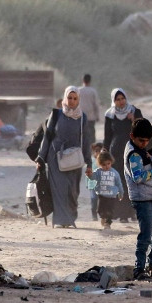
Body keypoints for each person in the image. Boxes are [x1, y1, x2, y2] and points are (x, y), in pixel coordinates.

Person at [35, 87, 93, 229]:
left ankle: (70, 218)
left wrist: (89, 162)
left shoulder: (82, 117)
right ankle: (61, 220)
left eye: (75, 98)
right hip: (55, 157)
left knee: (72, 191)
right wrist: (41, 157)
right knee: (59, 189)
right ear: (64, 98)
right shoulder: (56, 115)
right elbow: (47, 138)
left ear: (78, 99)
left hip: (75, 158)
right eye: (69, 98)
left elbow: (86, 140)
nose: (72, 101)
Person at [125, 118, 152, 280]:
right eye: (141, 141)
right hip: (142, 199)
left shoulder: (141, 150)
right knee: (146, 236)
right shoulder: (133, 154)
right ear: (132, 136)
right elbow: (138, 177)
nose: (144, 144)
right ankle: (139, 269)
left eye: (147, 141)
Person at [103, 88, 143, 222]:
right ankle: (122, 214)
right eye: (117, 99)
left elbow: (143, 130)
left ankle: (133, 212)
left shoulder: (134, 111)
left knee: (133, 181)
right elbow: (107, 136)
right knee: (119, 182)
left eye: (122, 98)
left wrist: (134, 120)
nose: (121, 102)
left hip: (132, 151)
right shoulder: (110, 115)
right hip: (116, 152)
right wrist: (105, 152)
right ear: (114, 101)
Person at [93, 151, 123, 230]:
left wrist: (121, 192)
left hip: (112, 196)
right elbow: (93, 177)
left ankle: (108, 223)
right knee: (100, 210)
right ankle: (103, 217)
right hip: (102, 195)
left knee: (110, 210)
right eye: (104, 165)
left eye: (108, 163)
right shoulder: (98, 172)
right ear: (100, 164)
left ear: (111, 162)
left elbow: (119, 183)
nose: (106, 166)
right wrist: (89, 175)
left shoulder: (115, 173)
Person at [78, 74, 104, 158]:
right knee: (91, 135)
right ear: (90, 81)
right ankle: (92, 153)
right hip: (90, 117)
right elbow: (96, 104)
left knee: (81, 134)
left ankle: (81, 152)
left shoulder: (78, 90)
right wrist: (97, 116)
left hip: (80, 117)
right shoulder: (93, 91)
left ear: (83, 80)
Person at [89, 143, 105, 221]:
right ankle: (93, 214)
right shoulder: (91, 161)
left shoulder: (104, 162)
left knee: (102, 200)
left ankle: (102, 214)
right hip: (92, 185)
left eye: (99, 151)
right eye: (96, 151)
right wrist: (87, 184)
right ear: (93, 152)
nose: (98, 153)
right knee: (93, 199)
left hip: (102, 185)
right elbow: (87, 174)